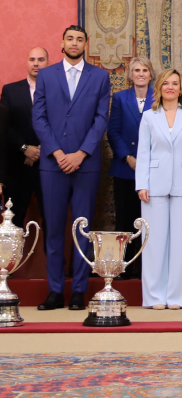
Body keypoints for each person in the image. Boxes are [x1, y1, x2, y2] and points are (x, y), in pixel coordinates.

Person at [32, 25, 111, 311]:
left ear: (86, 44)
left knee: (83, 229)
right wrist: (57, 152)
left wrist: (80, 154)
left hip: (85, 164)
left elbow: (101, 119)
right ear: (62, 42)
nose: (74, 43)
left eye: (79, 39)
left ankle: (78, 290)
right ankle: (55, 291)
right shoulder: (47, 75)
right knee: (54, 229)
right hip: (53, 165)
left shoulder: (100, 77)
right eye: (70, 38)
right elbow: (38, 118)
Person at [135, 69, 182, 309]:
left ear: (181, 88)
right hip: (154, 184)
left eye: (175, 83)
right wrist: (141, 184)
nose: (171, 87)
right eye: (166, 83)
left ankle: (176, 297)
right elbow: (143, 153)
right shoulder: (149, 117)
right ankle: (154, 297)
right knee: (153, 244)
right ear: (159, 87)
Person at [107, 57, 154, 279]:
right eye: (136, 70)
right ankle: (124, 270)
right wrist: (128, 156)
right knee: (125, 219)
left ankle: (146, 270)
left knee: (149, 221)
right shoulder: (119, 98)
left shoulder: (160, 97)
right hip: (126, 169)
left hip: (154, 169)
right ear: (130, 75)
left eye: (145, 70)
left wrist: (147, 159)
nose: (141, 74)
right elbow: (113, 131)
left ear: (151, 74)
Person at [1, 47, 49, 228]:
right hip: (17, 167)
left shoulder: (58, 92)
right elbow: (5, 127)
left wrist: (40, 149)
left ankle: (53, 258)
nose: (36, 63)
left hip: (48, 164)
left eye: (41, 59)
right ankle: (12, 258)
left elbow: (61, 125)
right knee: (14, 221)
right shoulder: (10, 90)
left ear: (48, 63)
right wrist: (24, 148)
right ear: (27, 62)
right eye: (32, 59)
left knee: (51, 220)